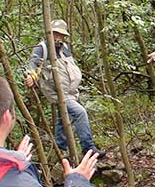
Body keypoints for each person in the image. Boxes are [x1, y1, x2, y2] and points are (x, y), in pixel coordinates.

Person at [25, 19, 105, 158]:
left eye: (60, 34)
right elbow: (33, 64)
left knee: (64, 118)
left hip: (72, 93)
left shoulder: (65, 48)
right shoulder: (42, 48)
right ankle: (88, 148)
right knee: (80, 113)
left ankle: (60, 149)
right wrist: (31, 76)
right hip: (58, 94)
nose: (57, 37)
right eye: (55, 33)